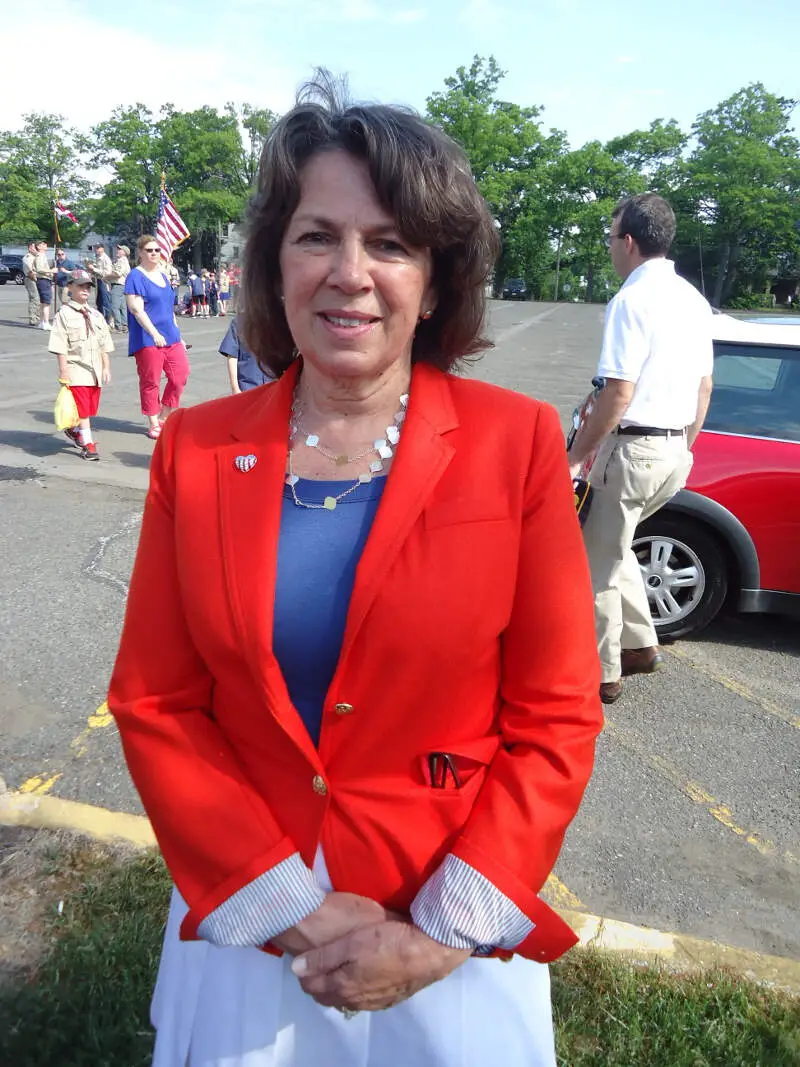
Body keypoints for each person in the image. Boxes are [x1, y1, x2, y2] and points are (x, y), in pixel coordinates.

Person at [108, 77, 602, 1067]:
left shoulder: (517, 445)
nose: (349, 272)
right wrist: (287, 906)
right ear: (271, 263)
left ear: (435, 275)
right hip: (255, 917)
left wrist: (437, 930)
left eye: (388, 242)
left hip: (440, 923)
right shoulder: (195, 448)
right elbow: (157, 700)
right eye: (315, 236)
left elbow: (555, 716)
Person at [567, 193, 714, 705]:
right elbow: (704, 387)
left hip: (632, 450)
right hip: (674, 451)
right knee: (617, 544)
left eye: (611, 238)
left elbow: (618, 393)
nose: (611, 248)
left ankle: (601, 672)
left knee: (596, 563)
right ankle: (641, 645)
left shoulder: (630, 301)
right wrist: (684, 448)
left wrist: (574, 456)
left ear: (628, 242)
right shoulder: (692, 300)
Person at [124, 234, 190, 439]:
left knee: (180, 375)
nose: (154, 254)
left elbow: (168, 309)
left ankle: (165, 414)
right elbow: (136, 309)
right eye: (149, 250)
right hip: (147, 337)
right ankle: (153, 422)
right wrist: (154, 333)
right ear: (141, 253)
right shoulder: (135, 276)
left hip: (171, 335)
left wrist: (177, 334)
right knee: (150, 380)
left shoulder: (162, 275)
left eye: (157, 250)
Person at [48, 268, 113, 460]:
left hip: (94, 371)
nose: (85, 290)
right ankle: (89, 445)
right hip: (76, 368)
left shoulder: (96, 315)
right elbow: (60, 345)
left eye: (88, 286)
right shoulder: (64, 314)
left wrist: (106, 367)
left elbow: (104, 344)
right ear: (70, 287)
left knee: (87, 409)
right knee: (84, 410)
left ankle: (74, 429)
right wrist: (64, 370)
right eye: (80, 286)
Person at [219, 314, 273, 393]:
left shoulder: (275, 322)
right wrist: (235, 388)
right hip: (248, 387)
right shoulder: (239, 323)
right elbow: (232, 356)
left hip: (273, 386)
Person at [88, 243, 113, 324]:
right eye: (96, 248)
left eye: (98, 248)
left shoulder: (106, 259)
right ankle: (100, 319)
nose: (96, 249)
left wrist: (94, 269)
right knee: (99, 302)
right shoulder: (98, 257)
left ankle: (107, 321)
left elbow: (107, 273)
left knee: (105, 302)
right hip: (98, 281)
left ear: (102, 249)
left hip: (104, 281)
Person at [33, 241, 54, 331]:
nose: (45, 245)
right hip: (44, 280)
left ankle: (42, 322)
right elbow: (40, 269)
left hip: (43, 280)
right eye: (43, 244)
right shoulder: (40, 256)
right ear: (39, 246)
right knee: (46, 303)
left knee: (43, 303)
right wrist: (51, 271)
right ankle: (46, 322)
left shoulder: (42, 256)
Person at [109, 244, 131, 331]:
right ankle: (124, 325)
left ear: (124, 253)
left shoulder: (122, 261)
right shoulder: (123, 261)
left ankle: (119, 326)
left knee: (115, 306)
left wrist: (106, 277)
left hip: (118, 285)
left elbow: (118, 273)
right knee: (123, 307)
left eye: (120, 249)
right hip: (123, 285)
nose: (117, 250)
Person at [22, 240, 40, 327]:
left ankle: (36, 317)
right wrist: (36, 279)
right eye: (34, 247)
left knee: (37, 298)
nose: (36, 249)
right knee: (34, 298)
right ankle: (33, 319)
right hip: (31, 279)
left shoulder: (37, 256)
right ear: (29, 248)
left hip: (37, 279)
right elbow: (30, 271)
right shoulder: (28, 257)